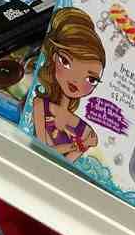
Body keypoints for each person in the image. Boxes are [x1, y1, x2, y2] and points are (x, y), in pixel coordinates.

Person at [31, 8, 106, 161]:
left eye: (91, 79)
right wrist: (78, 145)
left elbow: (68, 162)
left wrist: (80, 146)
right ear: (54, 57)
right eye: (66, 62)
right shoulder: (40, 105)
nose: (76, 80)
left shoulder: (86, 131)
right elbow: (42, 148)